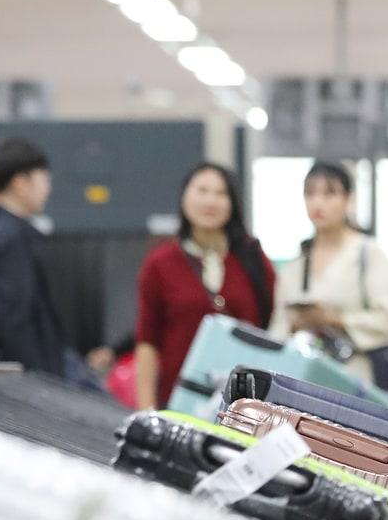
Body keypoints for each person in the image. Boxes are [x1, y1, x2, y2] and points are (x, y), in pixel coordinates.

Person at [93, 163, 274, 410]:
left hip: (244, 403)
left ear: (232, 203)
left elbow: (269, 327)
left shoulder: (252, 259)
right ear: (184, 197)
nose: (210, 201)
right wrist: (147, 410)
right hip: (178, 397)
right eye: (202, 190)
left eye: (221, 193)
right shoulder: (160, 263)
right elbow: (147, 341)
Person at [0, 138, 94, 387]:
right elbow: (17, 319)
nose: (48, 188)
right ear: (20, 183)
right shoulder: (15, 238)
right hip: (23, 383)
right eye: (44, 179)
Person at [269, 162, 388, 397]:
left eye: (329, 193)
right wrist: (297, 324)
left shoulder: (366, 253)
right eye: (310, 193)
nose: (318, 203)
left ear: (348, 199)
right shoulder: (295, 265)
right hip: (301, 380)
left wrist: (335, 320)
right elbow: (277, 329)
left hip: (353, 377)